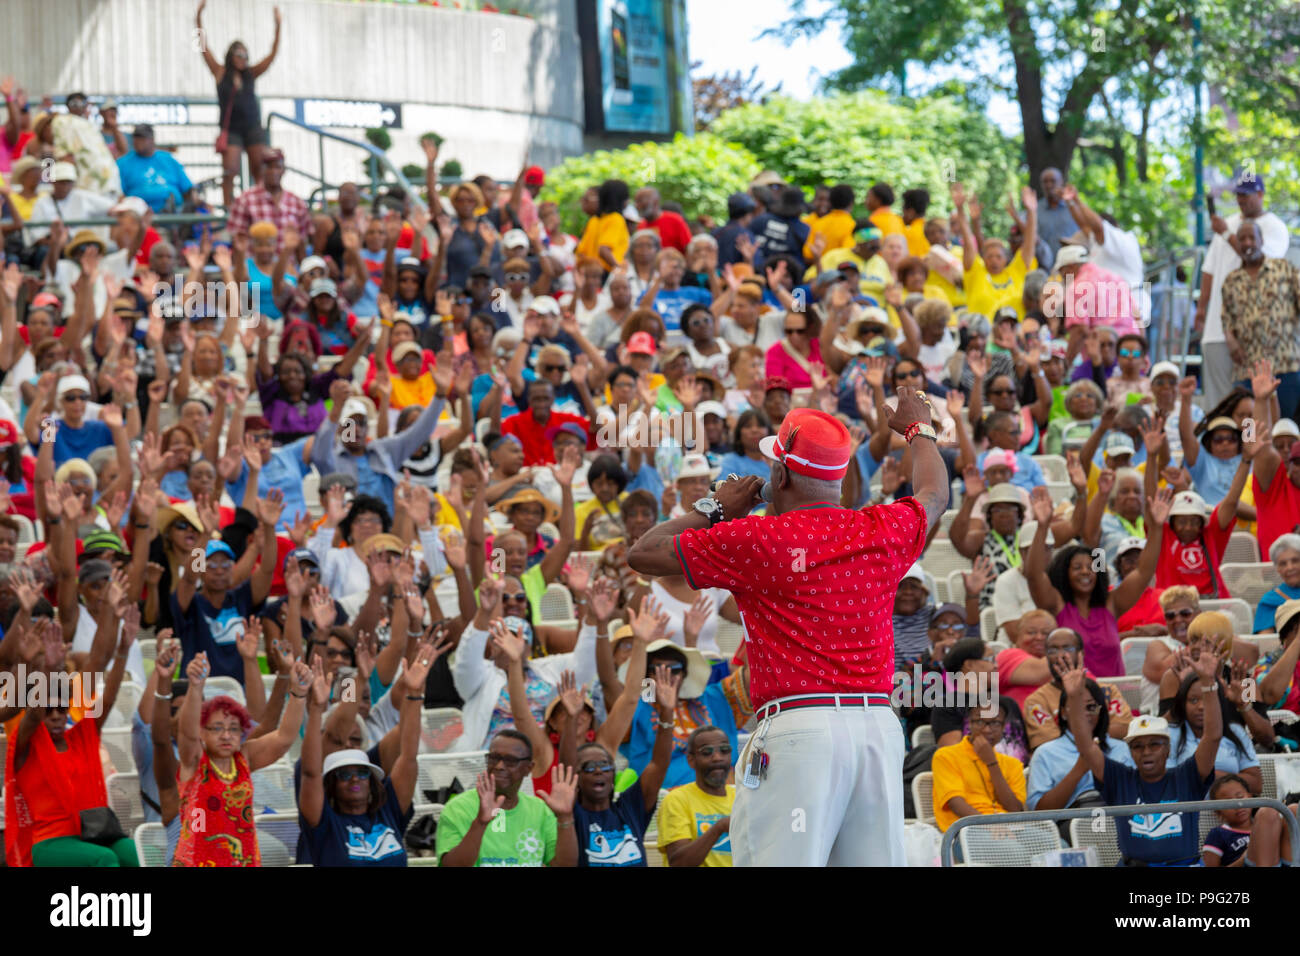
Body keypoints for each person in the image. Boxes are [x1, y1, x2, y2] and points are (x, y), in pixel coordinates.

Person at [629, 396, 949, 866]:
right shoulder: (880, 528)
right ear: (838, 480)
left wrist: (716, 505)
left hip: (799, 729)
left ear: (779, 476)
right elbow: (935, 495)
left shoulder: (756, 539)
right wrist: (919, 430)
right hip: (878, 729)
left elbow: (643, 553)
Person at [299, 629, 448, 866]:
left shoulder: (377, 724)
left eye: (356, 741)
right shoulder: (323, 804)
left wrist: (416, 691)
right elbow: (340, 725)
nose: (355, 778)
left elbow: (408, 752)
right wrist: (355, 679)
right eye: (345, 773)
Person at [1063, 651, 1221, 867]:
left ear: (1167, 749)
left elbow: (1212, 737)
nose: (1146, 751)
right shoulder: (1119, 779)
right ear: (1130, 752)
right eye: (1137, 746)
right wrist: (1073, 697)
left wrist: (1208, 684)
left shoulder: (1187, 776)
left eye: (1154, 744)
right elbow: (1086, 746)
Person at [174, 651, 313, 867]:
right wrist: (195, 687)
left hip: (243, 860)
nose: (226, 735)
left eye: (234, 729)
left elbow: (284, 738)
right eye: (217, 728)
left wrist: (298, 693)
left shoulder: (243, 758)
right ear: (203, 732)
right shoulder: (194, 761)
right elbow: (187, 734)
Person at [1025, 485, 1169, 677]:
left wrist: (1156, 528)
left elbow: (1144, 571)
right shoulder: (1057, 605)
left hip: (1114, 699)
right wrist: (1043, 527)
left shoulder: (1111, 604)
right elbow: (1034, 575)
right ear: (1064, 573)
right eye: (1077, 568)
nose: (1086, 572)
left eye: (1091, 567)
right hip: (1074, 697)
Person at [1195, 171, 1291, 409]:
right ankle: (1230, 443)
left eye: (1246, 195)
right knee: (1228, 404)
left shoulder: (1282, 260)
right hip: (1229, 341)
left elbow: (1262, 263)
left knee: (1265, 406)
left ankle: (1260, 445)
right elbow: (1209, 271)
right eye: (1238, 195)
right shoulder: (1232, 283)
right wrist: (1201, 309)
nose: (1247, 243)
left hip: (1268, 348)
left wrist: (1227, 234)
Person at [436, 730, 579, 866]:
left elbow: (564, 864)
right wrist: (480, 823)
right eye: (494, 758)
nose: (499, 766)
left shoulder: (540, 810)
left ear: (528, 768)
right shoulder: (457, 808)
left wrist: (565, 817)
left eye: (510, 761)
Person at [197, 0, 282, 208]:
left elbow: (272, 56)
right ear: (231, 55)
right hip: (232, 129)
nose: (242, 58)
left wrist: (278, 26)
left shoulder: (251, 74)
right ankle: (229, 208)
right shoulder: (220, 72)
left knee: (259, 169)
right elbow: (202, 47)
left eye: (245, 54)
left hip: (252, 127)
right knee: (230, 170)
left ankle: (261, 205)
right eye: (238, 54)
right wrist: (197, 19)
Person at [1220, 220, 1300, 418]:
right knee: (1249, 428)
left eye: (1251, 238)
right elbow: (1226, 318)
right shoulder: (1231, 280)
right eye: (1242, 239)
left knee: (1285, 428)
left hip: (1285, 366)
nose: (1247, 243)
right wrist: (1230, 340)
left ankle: (1284, 450)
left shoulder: (1285, 270)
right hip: (1247, 370)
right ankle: (1249, 449)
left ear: (1261, 240)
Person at [1023, 627, 1134, 748]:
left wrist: (1074, 735)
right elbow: (1048, 743)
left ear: (1081, 653)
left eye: (1067, 648)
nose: (1060, 656)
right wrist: (1097, 733)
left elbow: (1124, 729)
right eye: (1052, 650)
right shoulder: (1037, 701)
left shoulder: (1107, 691)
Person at [930, 699, 1027, 833]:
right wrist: (989, 825)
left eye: (994, 723)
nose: (987, 730)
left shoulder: (1013, 764)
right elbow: (956, 804)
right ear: (969, 723)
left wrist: (991, 763)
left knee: (1053, 843)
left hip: (1010, 827)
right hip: (967, 830)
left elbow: (1015, 810)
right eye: (980, 722)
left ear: (1003, 726)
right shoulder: (946, 756)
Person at [1026, 676, 1111, 811]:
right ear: (1064, 712)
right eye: (1076, 707)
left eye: (1091, 707)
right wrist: (1079, 769)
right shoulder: (1046, 753)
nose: (1084, 713)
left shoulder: (1120, 748)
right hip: (1070, 824)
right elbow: (1039, 812)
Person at [656, 725, 736, 867]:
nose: (717, 757)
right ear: (691, 760)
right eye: (706, 752)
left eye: (724, 750)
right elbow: (678, 863)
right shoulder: (677, 799)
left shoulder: (741, 797)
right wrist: (719, 828)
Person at [116, 124, 194, 213]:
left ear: (152, 140)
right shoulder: (122, 163)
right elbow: (119, 195)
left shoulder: (169, 160)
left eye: (142, 138)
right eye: (136, 138)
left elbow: (188, 189)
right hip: (138, 215)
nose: (138, 141)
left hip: (174, 213)